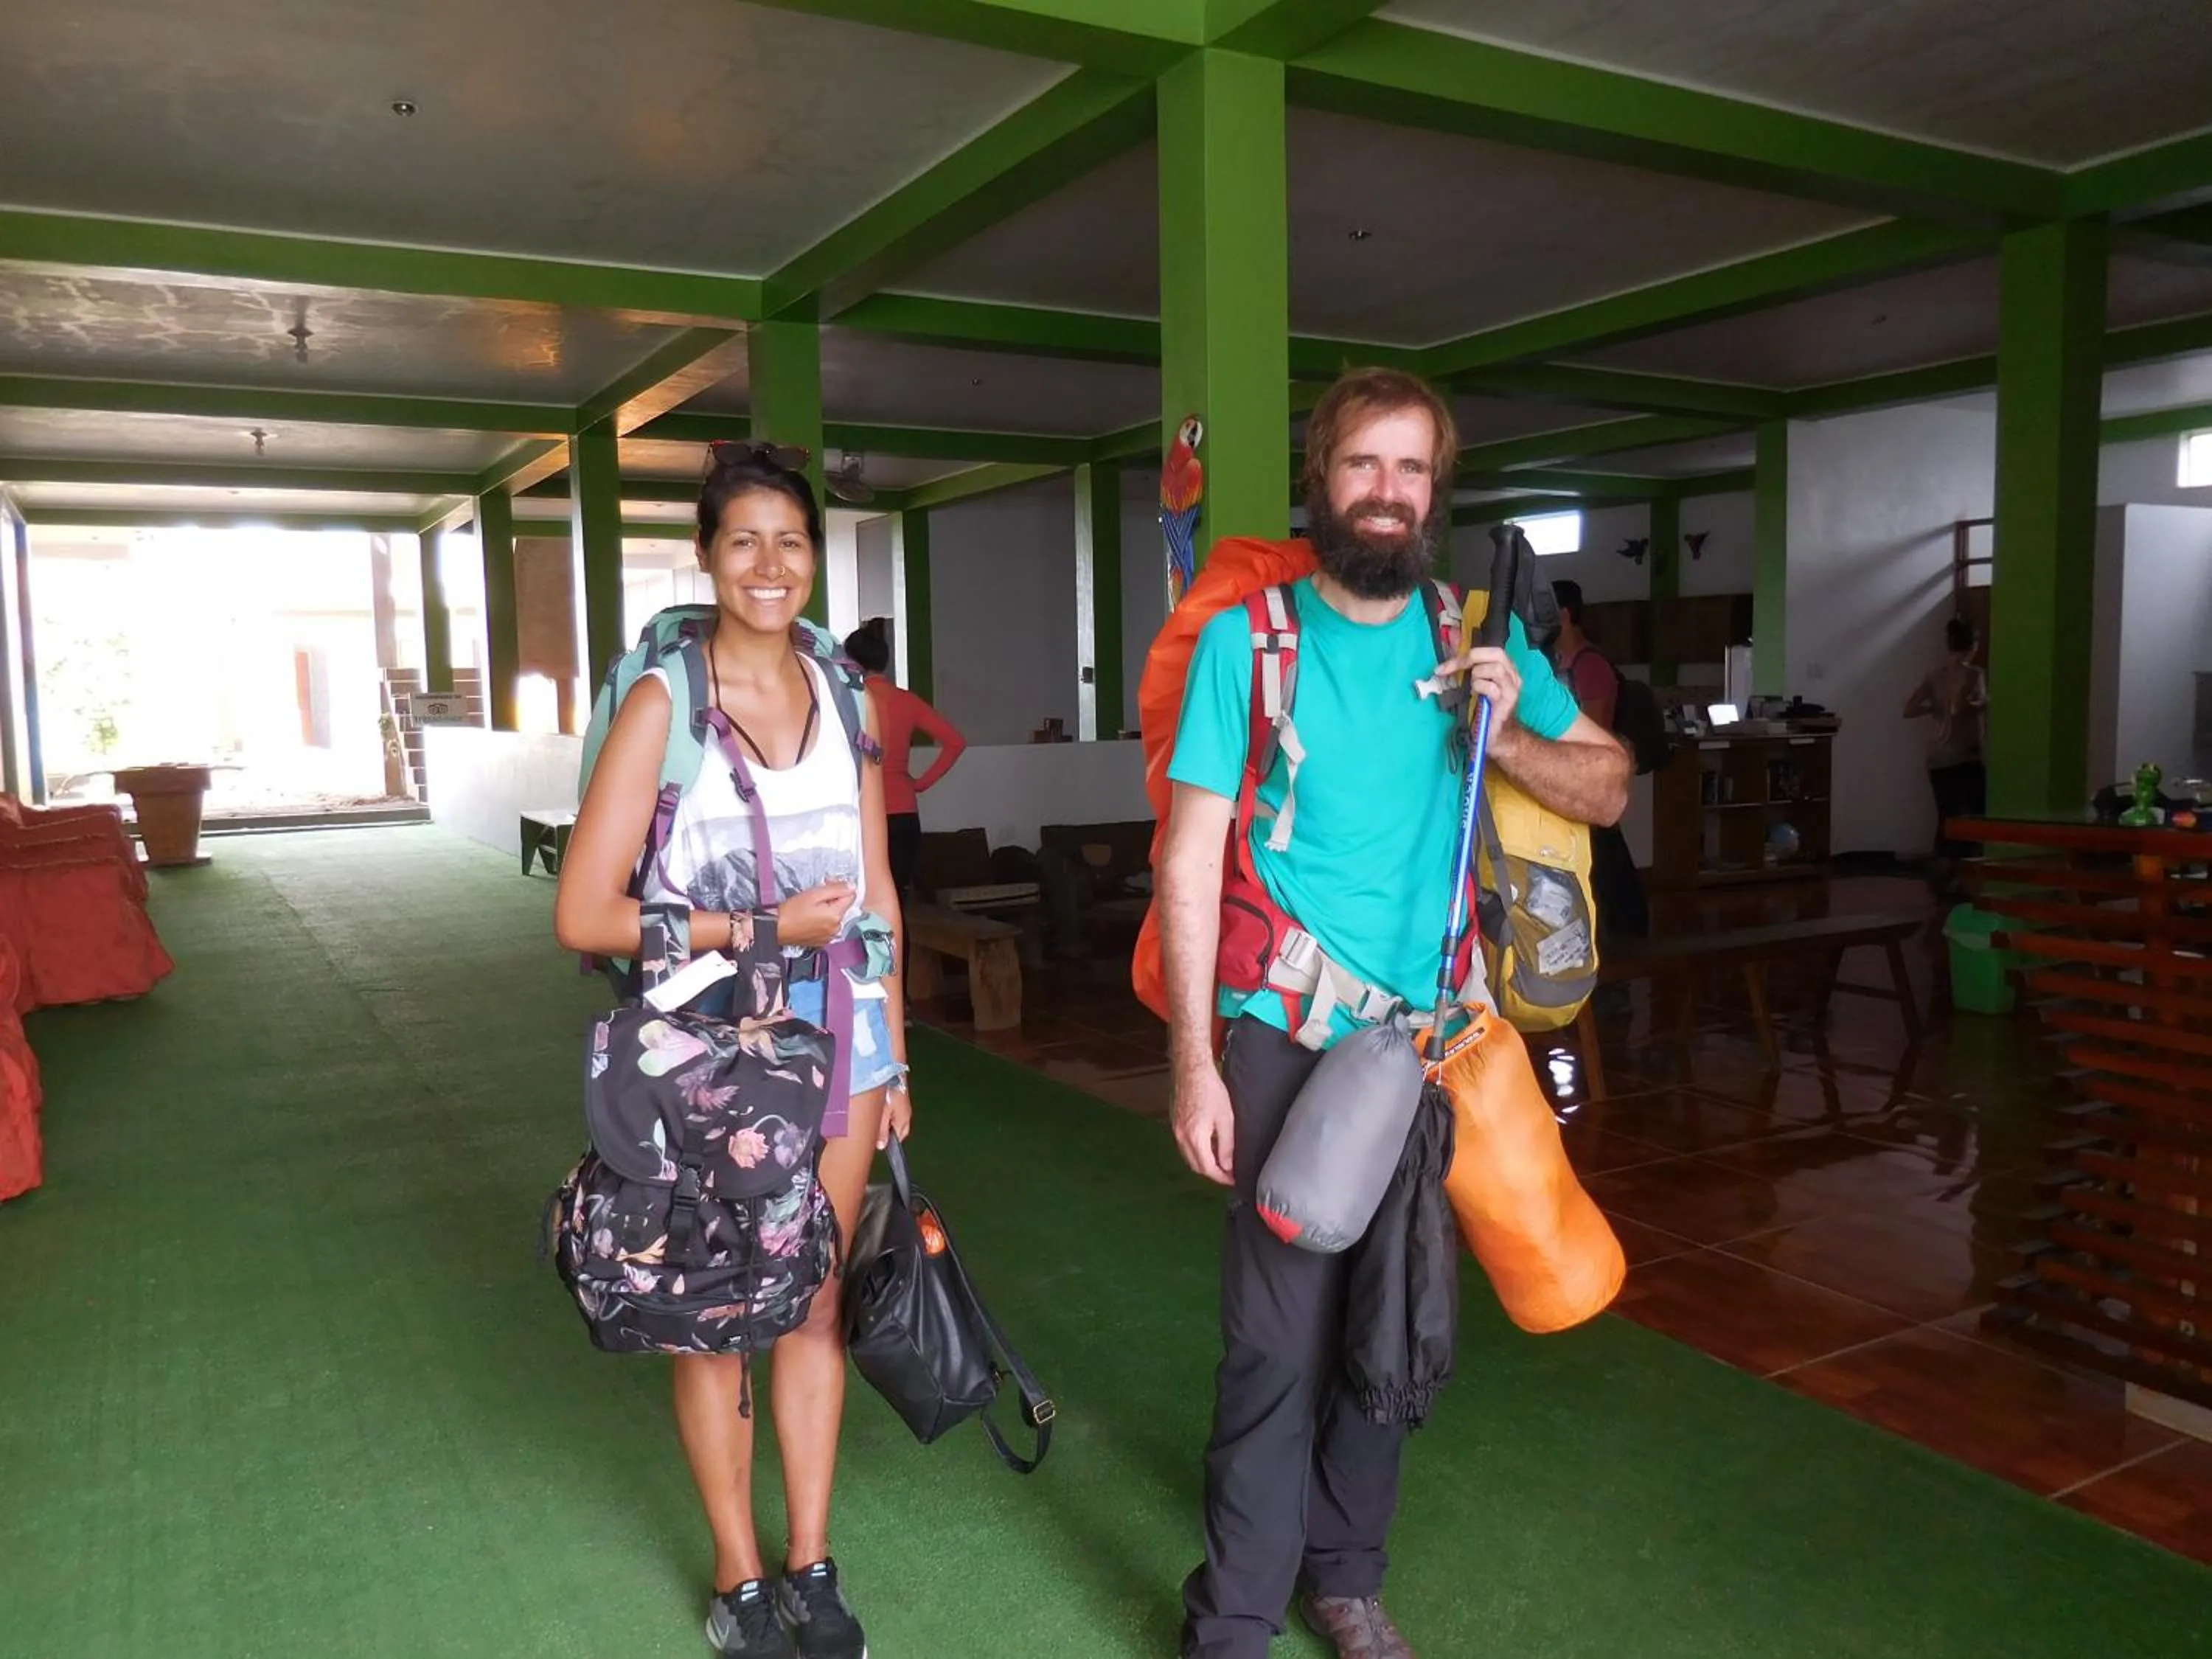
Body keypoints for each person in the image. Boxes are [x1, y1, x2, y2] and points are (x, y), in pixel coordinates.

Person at [1158, 366, 1631, 1659]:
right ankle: (1235, 1620)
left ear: (1435, 491)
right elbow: (1189, 856)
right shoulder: (1248, 641)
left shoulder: (1476, 637)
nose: (1386, 490)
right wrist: (1195, 1064)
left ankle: (1347, 1580)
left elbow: (1607, 787)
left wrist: (1507, 729)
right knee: (1275, 1345)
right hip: (1286, 1032)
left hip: (1429, 1047)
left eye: (1411, 468)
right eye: (1363, 463)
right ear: (1322, 477)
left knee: (1394, 1323)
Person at [553, 445, 912, 1659]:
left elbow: (875, 891)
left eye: (791, 540)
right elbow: (584, 913)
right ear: (707, 555)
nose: (769, 563)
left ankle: (811, 1559)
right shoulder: (666, 707)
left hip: (842, 1040)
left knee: (813, 1299)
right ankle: (738, 1573)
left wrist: (896, 1054)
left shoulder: (847, 696)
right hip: (707, 1059)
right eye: (744, 539)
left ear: (815, 556)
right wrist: (761, 927)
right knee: (714, 1312)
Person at [841, 616, 966, 909]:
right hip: (904, 814)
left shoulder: (848, 701)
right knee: (897, 901)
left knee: (863, 903)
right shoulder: (907, 701)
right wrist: (919, 784)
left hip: (864, 813)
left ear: (853, 663)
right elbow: (956, 742)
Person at [1549, 578, 1649, 941]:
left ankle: (1629, 936)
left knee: (1608, 862)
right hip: (1569, 776)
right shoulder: (1560, 662)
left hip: (1590, 778)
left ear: (1564, 614)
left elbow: (1593, 729)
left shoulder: (1590, 665)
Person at [1904, 615, 1987, 897]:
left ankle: (1940, 872)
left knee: (1946, 817)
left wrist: (1932, 708)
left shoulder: (1935, 676)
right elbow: (1963, 707)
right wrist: (1981, 703)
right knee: (1973, 817)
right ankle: (1963, 877)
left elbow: (1909, 709)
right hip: (1965, 755)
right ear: (1973, 644)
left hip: (1937, 756)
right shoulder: (1975, 674)